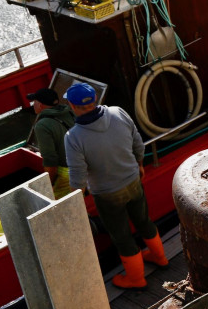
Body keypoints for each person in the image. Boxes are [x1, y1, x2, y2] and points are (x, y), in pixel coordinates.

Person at [63, 83, 167, 289]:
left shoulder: (73, 137)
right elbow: (137, 141)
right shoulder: (118, 112)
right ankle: (160, 257)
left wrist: (75, 201)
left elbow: (78, 174)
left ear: (72, 106)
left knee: (121, 235)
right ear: (95, 100)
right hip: (132, 180)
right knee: (143, 220)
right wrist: (139, 164)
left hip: (107, 193)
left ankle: (136, 279)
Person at [27, 88, 75, 199]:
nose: (33, 104)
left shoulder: (42, 125)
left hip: (68, 172)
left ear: (40, 105)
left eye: (34, 102)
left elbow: (50, 160)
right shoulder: (70, 111)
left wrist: (50, 184)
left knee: (55, 202)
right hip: (86, 163)